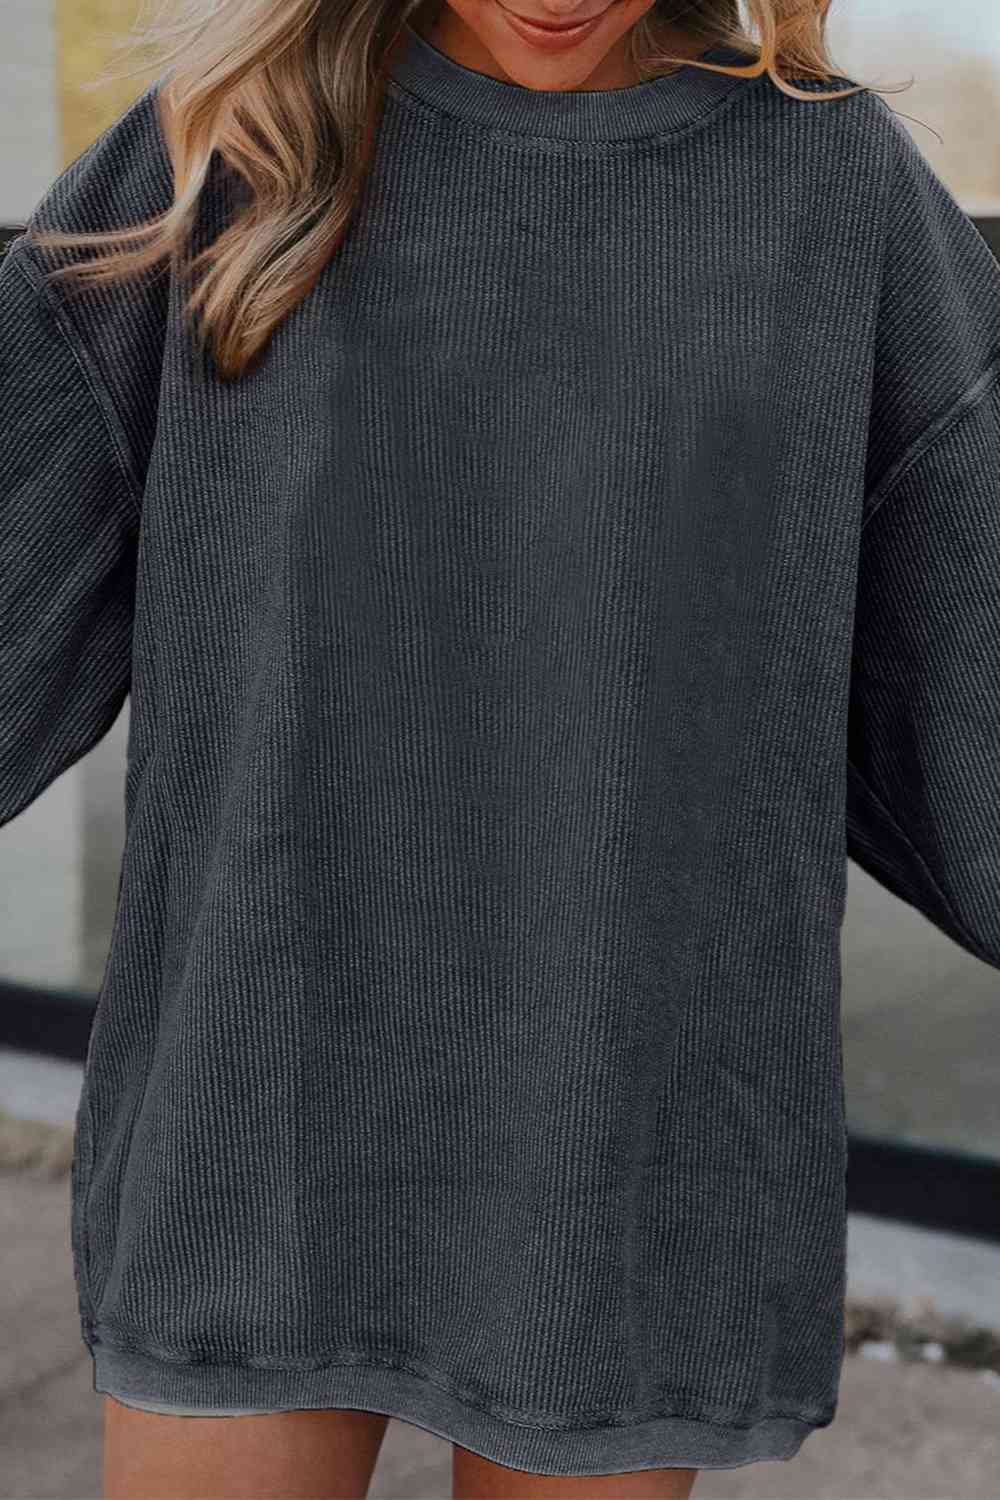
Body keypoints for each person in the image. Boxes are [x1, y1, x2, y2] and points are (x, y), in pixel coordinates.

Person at [2, 0, 999, 1495]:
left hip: (621, 1120)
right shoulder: (230, 150)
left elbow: (968, 603)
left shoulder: (829, 183)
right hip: (258, 1099)